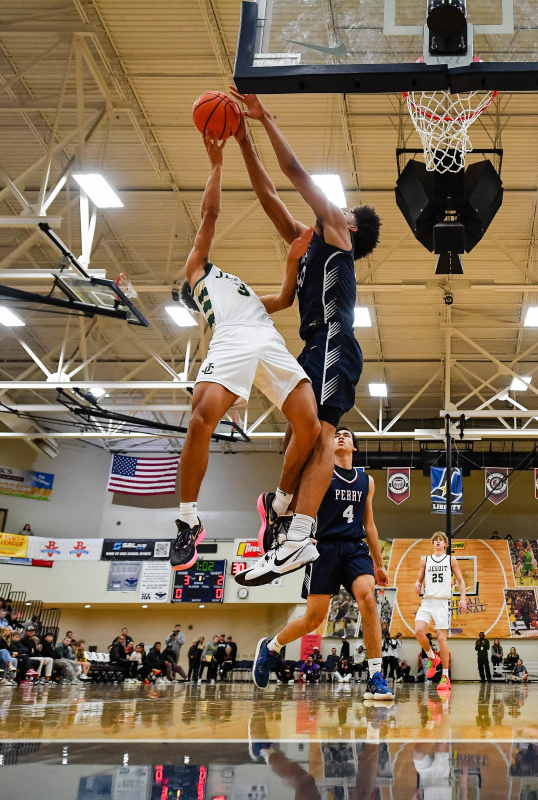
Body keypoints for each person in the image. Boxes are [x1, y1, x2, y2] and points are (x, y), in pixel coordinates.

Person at [229, 89, 382, 585]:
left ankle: (297, 531)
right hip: (313, 345)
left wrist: (264, 116)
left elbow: (294, 172)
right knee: (295, 435)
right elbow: (269, 196)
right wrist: (243, 139)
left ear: (351, 227)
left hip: (335, 341)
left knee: (316, 436)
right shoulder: (309, 243)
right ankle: (282, 512)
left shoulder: (337, 231)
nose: (329, 207)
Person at [168, 127, 323, 576]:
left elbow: (285, 300)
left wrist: (293, 261)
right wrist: (216, 164)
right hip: (234, 338)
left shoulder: (240, 288)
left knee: (309, 425)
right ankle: (188, 519)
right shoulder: (197, 272)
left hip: (265, 335)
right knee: (201, 417)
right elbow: (211, 213)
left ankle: (278, 505)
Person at [252, 427, 395, 702]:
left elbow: (370, 525)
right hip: (324, 548)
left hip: (354, 548)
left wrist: (379, 564)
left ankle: (375, 677)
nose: (341, 436)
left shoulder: (367, 481)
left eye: (347, 435)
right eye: (337, 434)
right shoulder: (320, 472)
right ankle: (270, 648)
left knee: (368, 599)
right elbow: (301, 507)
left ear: (354, 447)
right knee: (313, 619)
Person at [413, 531, 469, 693]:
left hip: (442, 602)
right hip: (427, 601)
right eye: (435, 540)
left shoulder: (451, 559)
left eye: (441, 540)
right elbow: (419, 578)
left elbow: (460, 580)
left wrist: (463, 598)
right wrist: (417, 584)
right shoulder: (425, 560)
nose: (438, 542)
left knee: (442, 637)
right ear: (433, 544)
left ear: (445, 544)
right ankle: (432, 657)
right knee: (418, 631)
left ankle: (445, 676)